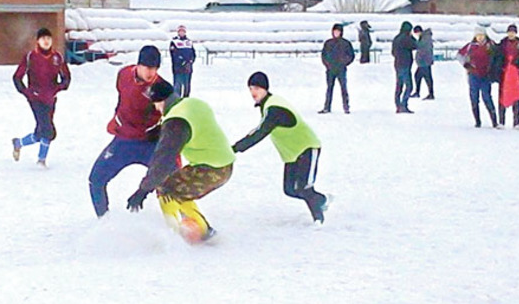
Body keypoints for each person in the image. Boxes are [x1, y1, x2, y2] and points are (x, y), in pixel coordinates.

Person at [126, 79, 235, 243]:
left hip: (212, 169)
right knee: (180, 188)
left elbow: (162, 161)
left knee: (165, 188)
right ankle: (203, 229)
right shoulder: (192, 103)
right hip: (224, 163)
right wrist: (159, 132)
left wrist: (142, 190)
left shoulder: (176, 122)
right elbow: (186, 124)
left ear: (162, 101)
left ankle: (177, 235)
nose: (156, 108)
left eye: (155, 104)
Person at [232, 72, 329, 223]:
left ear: (265, 88)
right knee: (290, 189)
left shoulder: (274, 108)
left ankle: (319, 220)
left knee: (304, 187)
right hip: (292, 153)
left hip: (307, 148)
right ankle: (322, 200)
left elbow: (260, 132)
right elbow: (258, 130)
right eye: (250, 88)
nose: (252, 92)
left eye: (256, 88)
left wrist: (235, 148)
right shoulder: (268, 105)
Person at [88, 45, 171, 217]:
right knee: (96, 179)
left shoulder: (161, 88)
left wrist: (163, 134)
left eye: (155, 68)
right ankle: (104, 220)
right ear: (138, 65)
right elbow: (122, 97)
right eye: (148, 67)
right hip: (124, 141)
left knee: (172, 182)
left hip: (150, 142)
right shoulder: (124, 74)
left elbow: (174, 119)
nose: (151, 73)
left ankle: (183, 222)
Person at [11, 28, 71, 167]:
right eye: (43, 38)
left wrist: (59, 87)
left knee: (41, 131)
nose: (46, 41)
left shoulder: (57, 57)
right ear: (37, 41)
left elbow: (66, 77)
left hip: (50, 98)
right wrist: (26, 92)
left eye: (48, 39)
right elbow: (17, 77)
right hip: (35, 98)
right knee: (48, 130)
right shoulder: (30, 56)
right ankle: (41, 160)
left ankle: (19, 143)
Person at [457, 26, 501, 128]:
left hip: (486, 75)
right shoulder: (470, 46)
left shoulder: (490, 45)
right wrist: (466, 64)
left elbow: (498, 56)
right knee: (474, 98)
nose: (480, 38)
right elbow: (459, 55)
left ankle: (494, 121)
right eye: (478, 36)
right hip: (473, 75)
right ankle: (477, 121)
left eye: (481, 35)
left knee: (487, 97)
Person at [319, 23, 355, 114]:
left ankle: (346, 107)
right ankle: (327, 107)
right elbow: (323, 55)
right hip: (330, 70)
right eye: (335, 31)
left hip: (341, 69)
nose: (336, 33)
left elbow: (351, 55)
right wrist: (327, 64)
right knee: (329, 88)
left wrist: (344, 63)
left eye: (338, 31)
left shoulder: (346, 43)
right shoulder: (328, 43)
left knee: (343, 88)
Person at [391, 21, 417, 113]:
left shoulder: (396, 38)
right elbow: (415, 45)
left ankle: (398, 105)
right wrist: (412, 37)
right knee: (409, 86)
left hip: (397, 64)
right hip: (406, 65)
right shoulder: (406, 38)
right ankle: (404, 104)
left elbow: (393, 52)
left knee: (399, 86)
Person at [169, 24, 196, 97]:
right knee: (178, 86)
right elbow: (174, 54)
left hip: (188, 68)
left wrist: (191, 61)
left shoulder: (189, 42)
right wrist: (182, 62)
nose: (181, 33)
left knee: (187, 86)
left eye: (183, 31)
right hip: (178, 68)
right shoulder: (174, 42)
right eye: (180, 31)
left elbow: (193, 53)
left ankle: (186, 99)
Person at [410, 25, 434, 100]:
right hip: (423, 61)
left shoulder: (425, 38)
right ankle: (419, 92)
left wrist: (412, 39)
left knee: (427, 78)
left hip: (424, 61)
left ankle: (430, 94)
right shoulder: (424, 37)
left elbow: (420, 46)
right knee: (419, 76)